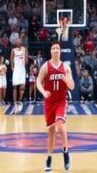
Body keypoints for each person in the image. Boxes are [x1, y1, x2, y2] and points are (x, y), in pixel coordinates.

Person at [37, 42, 74, 172]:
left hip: (61, 101)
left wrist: (66, 80)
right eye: (53, 48)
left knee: (60, 124)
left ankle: (65, 150)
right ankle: (49, 157)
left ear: (60, 51)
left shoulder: (66, 67)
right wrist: (43, 92)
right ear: (51, 51)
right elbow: (38, 81)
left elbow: (72, 86)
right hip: (49, 102)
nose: (56, 50)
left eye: (58, 48)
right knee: (51, 132)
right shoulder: (45, 66)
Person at [11, 39, 28, 109]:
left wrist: (26, 57)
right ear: (16, 42)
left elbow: (26, 60)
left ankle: (19, 101)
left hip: (22, 69)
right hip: (16, 69)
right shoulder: (13, 50)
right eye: (17, 40)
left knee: (22, 87)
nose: (18, 41)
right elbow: (11, 59)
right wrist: (12, 67)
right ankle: (15, 102)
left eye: (19, 40)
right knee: (15, 87)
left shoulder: (24, 49)